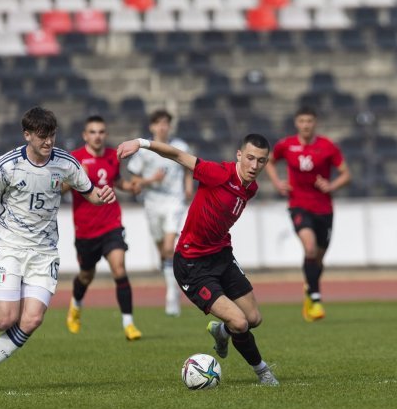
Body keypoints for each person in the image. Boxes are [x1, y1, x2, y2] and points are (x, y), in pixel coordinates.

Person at [0, 107, 116, 393]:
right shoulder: (6, 165)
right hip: (9, 246)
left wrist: (102, 197)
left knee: (32, 319)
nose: (48, 142)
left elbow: (91, 193)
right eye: (42, 136)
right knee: (5, 318)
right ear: (27, 135)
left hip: (44, 252)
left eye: (52, 135)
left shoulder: (67, 163)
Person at [117, 133, 279, 386]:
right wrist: (141, 143)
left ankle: (220, 331)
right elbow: (178, 155)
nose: (254, 166)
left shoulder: (252, 188)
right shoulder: (218, 173)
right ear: (239, 155)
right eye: (250, 158)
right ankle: (263, 371)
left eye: (261, 161)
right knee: (239, 321)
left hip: (222, 256)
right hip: (192, 263)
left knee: (254, 319)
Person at [265, 106, 351, 322]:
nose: (305, 125)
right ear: (296, 123)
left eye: (309, 121)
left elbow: (346, 174)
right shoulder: (286, 145)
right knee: (310, 247)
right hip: (298, 205)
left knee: (318, 258)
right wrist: (277, 182)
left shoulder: (327, 146)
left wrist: (332, 186)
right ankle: (315, 298)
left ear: (315, 123)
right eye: (302, 121)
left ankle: (309, 287)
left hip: (324, 208)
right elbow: (270, 161)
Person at [66, 115, 143, 341]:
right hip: (86, 229)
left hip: (111, 224)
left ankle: (129, 324)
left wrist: (131, 187)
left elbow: (116, 181)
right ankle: (76, 306)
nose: (97, 136)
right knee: (86, 276)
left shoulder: (113, 156)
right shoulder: (75, 159)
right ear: (85, 135)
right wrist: (76, 179)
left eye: (101, 132)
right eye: (92, 132)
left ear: (105, 134)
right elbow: (60, 189)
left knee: (119, 268)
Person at [127, 109, 193, 317]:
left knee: (168, 246)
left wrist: (188, 186)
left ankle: (172, 295)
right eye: (159, 123)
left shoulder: (180, 146)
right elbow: (134, 182)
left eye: (166, 123)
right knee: (162, 251)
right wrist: (151, 180)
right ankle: (169, 276)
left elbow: (187, 168)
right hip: (152, 203)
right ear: (152, 127)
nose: (162, 127)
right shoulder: (144, 150)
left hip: (174, 201)